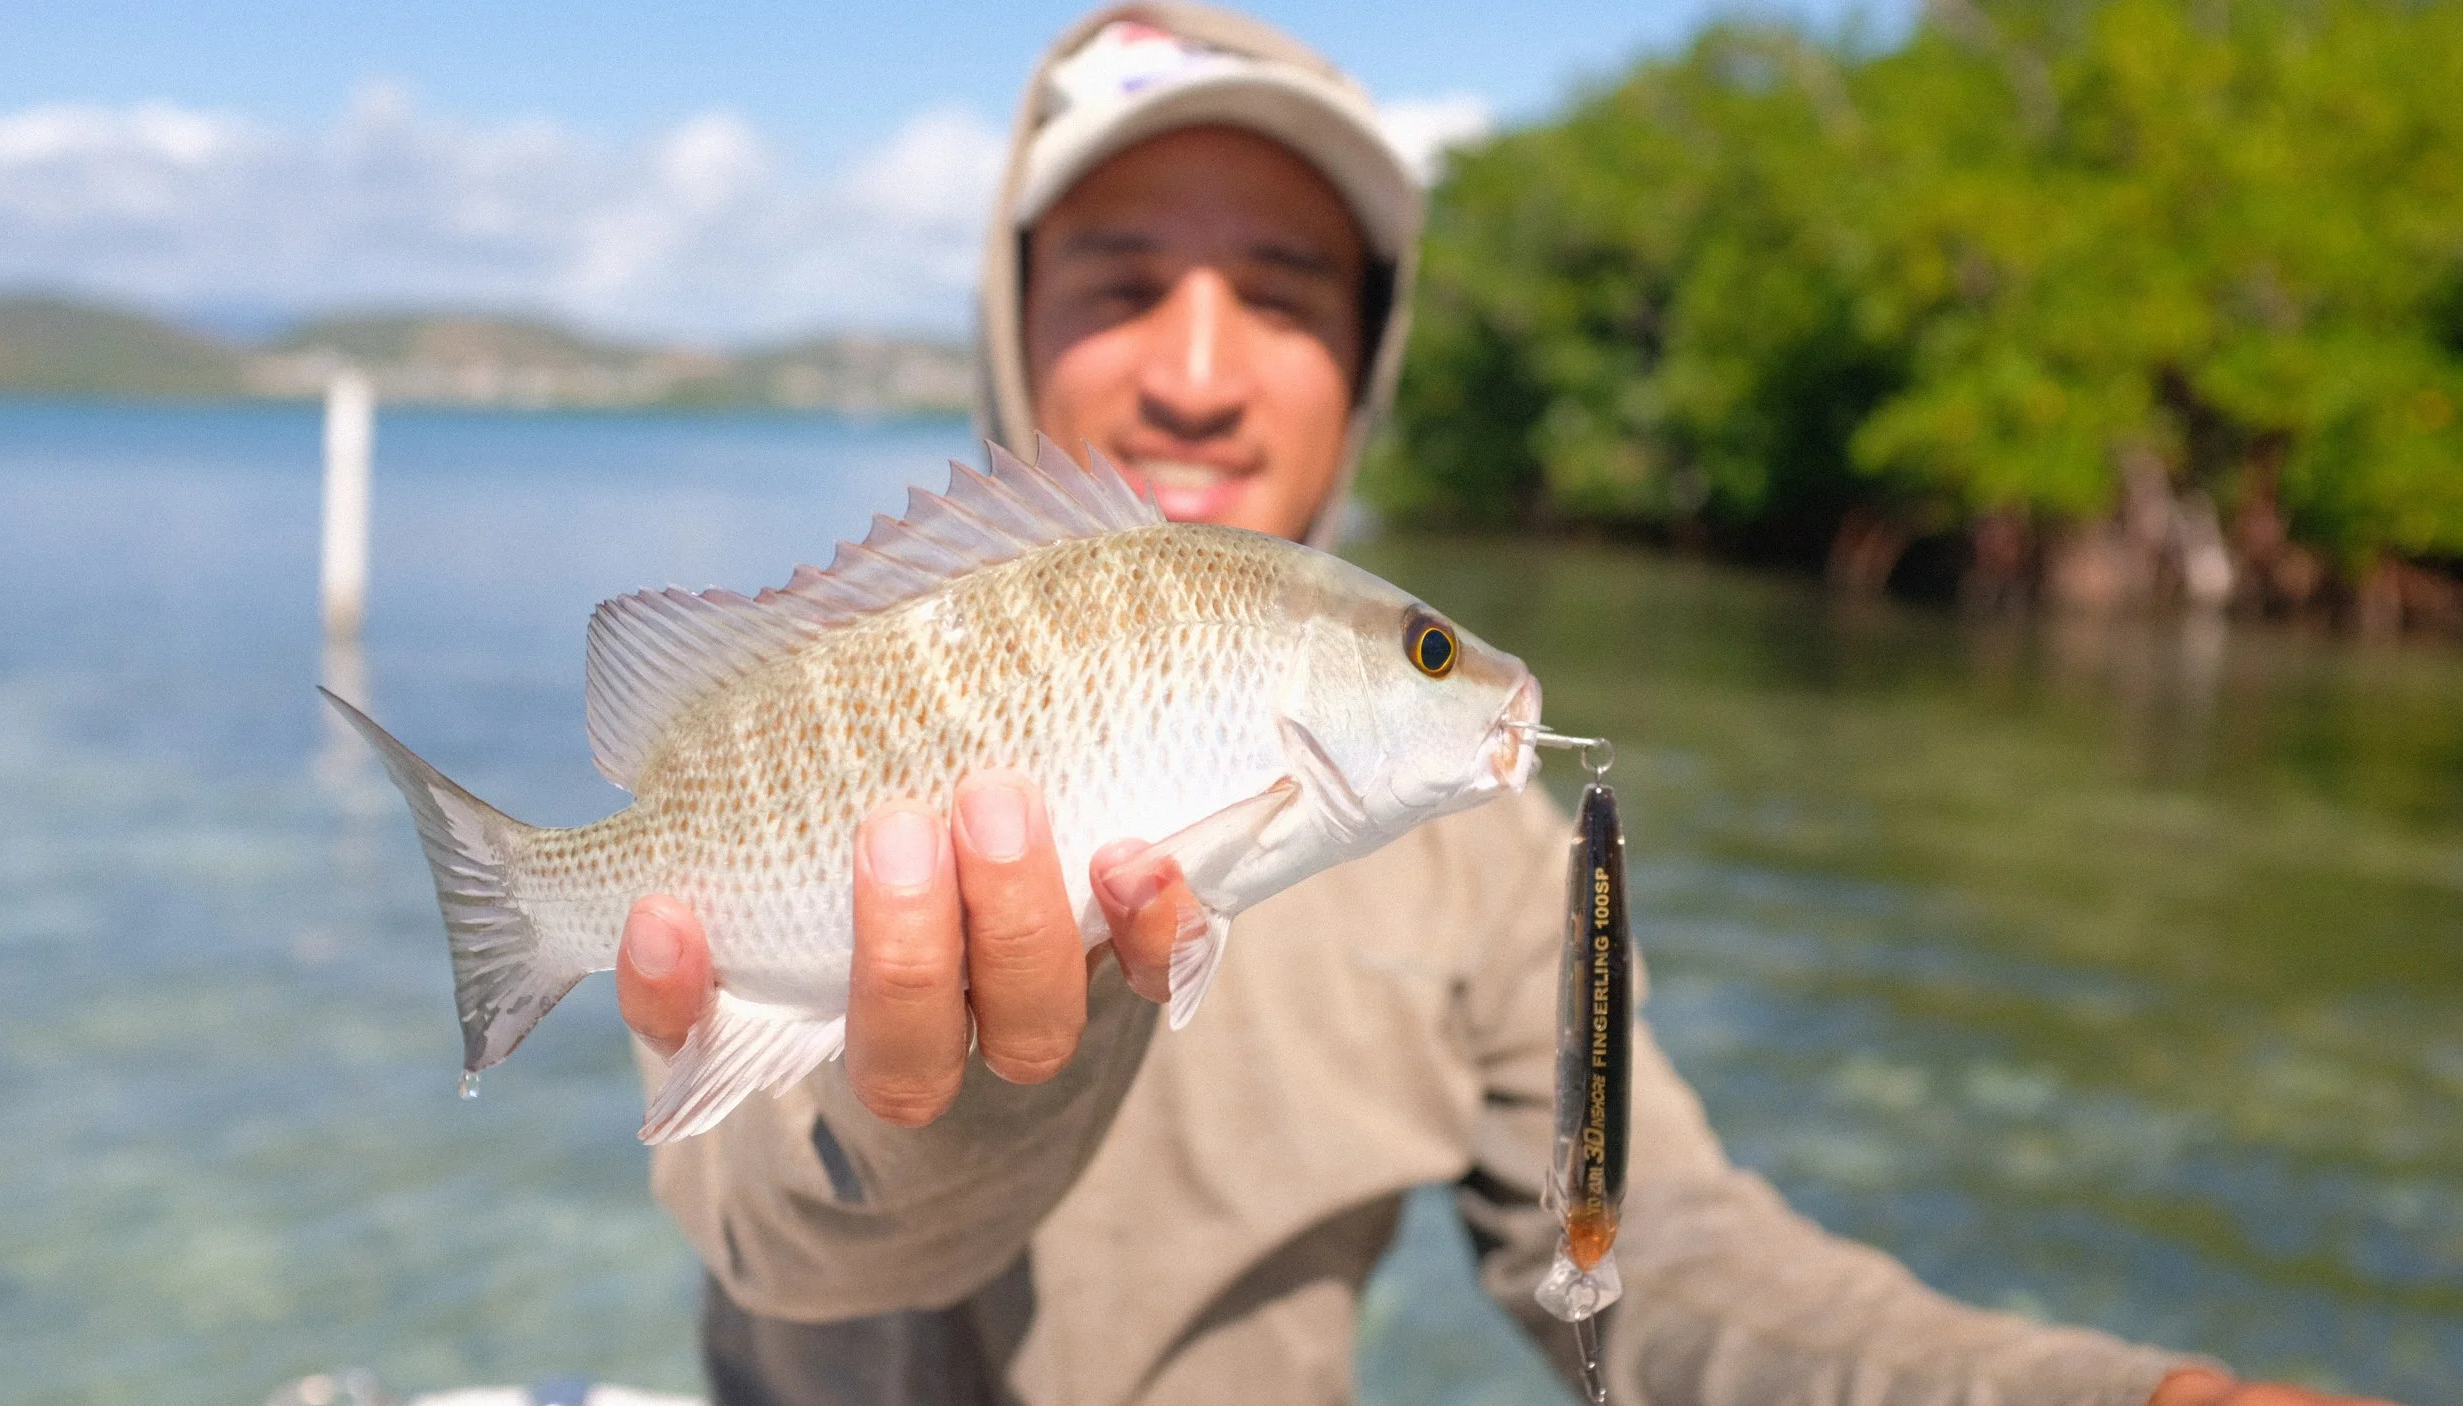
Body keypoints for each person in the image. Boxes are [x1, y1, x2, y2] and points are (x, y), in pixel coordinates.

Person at [609, 7, 2392, 1404]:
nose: (1203, 371)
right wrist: (980, 1086)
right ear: (1015, 318)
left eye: (1287, 292)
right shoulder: (822, 715)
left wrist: (2137, 1392)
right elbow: (784, 1242)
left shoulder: (1483, 865)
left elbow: (1646, 1256)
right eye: (1123, 280)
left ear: (1368, 360)